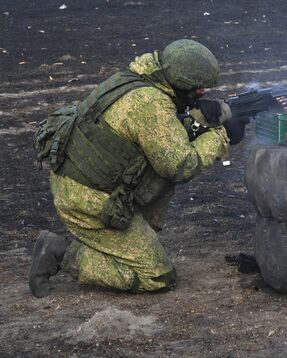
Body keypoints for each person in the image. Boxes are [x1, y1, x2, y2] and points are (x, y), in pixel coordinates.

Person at [29, 39, 246, 297]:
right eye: (198, 89)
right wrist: (221, 137)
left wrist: (196, 122)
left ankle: (122, 242)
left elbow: (158, 136)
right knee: (156, 276)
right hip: (87, 197)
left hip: (88, 179)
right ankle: (62, 252)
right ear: (181, 80)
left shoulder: (140, 79)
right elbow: (179, 165)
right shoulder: (150, 104)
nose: (201, 93)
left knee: (154, 175)